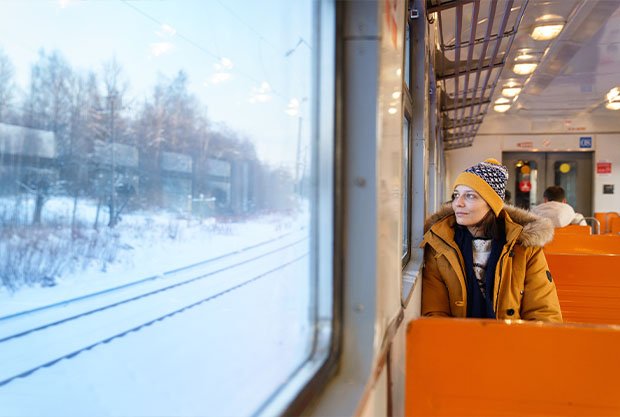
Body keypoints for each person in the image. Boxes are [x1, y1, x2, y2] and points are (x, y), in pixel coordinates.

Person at [420, 158, 562, 322]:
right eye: (456, 195)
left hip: (513, 343)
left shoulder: (524, 246)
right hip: (458, 342)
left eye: (470, 196)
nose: (458, 203)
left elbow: (543, 314)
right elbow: (435, 314)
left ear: (492, 204)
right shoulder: (440, 243)